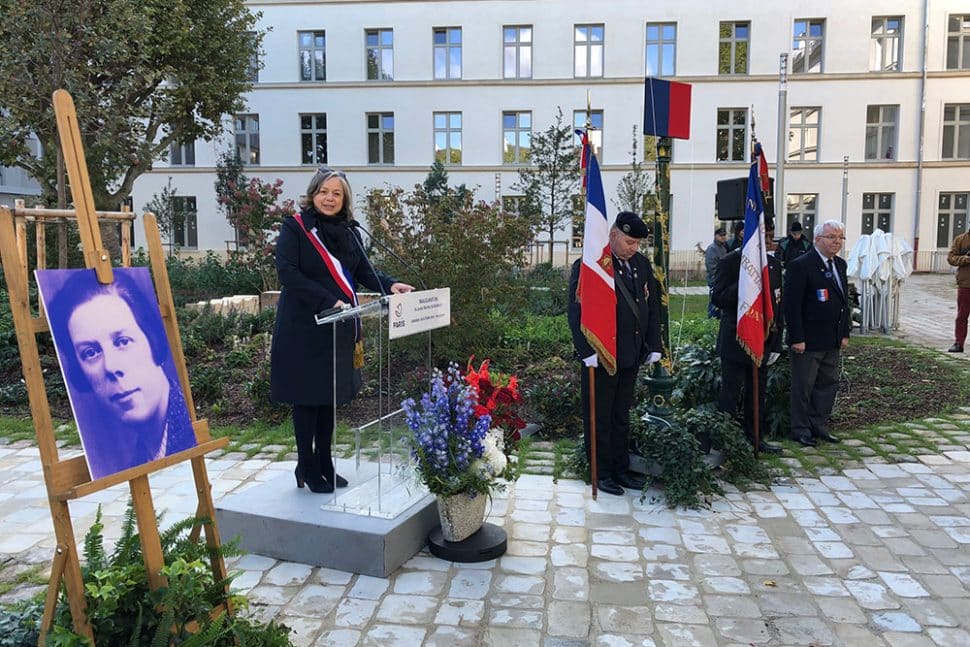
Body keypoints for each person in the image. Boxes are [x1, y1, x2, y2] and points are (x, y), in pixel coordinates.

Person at [271, 167, 413, 493]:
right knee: (307, 400)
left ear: (344, 199)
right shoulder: (296, 228)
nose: (330, 198)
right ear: (313, 194)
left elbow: (362, 269)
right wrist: (327, 299)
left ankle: (325, 463)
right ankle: (306, 464)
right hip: (304, 327)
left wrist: (390, 286)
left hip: (336, 328)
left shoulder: (349, 231)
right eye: (324, 192)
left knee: (327, 399)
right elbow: (287, 273)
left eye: (337, 193)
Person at [43, 268, 196, 480]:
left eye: (122, 342)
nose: (111, 367)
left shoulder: (186, 435)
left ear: (153, 341)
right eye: (91, 352)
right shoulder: (141, 457)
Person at [567, 211, 662, 496]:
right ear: (613, 235)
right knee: (600, 417)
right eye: (629, 242)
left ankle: (621, 468)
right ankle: (601, 470)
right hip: (601, 354)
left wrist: (654, 344)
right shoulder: (590, 265)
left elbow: (652, 306)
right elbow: (576, 312)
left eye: (637, 244)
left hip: (630, 353)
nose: (634, 248)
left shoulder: (641, 265)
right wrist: (585, 350)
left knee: (621, 415)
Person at [711, 222, 784, 455]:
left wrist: (776, 341)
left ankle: (755, 439)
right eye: (765, 236)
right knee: (730, 393)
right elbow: (719, 298)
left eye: (771, 237)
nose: (770, 241)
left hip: (762, 338)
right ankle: (726, 441)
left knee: (757, 392)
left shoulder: (772, 265)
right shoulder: (730, 261)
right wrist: (745, 285)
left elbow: (777, 304)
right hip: (735, 337)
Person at [783, 219, 851, 447]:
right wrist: (797, 338)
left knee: (827, 384)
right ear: (818, 239)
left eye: (840, 237)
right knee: (804, 386)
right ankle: (800, 429)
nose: (837, 242)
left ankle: (819, 425)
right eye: (832, 237)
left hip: (831, 338)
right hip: (808, 340)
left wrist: (844, 332)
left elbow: (844, 302)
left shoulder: (840, 264)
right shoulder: (801, 265)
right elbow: (792, 306)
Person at [946, 225, 970, 353]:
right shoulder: (961, 239)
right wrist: (964, 259)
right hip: (966, 283)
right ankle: (959, 342)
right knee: (962, 315)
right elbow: (951, 258)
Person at [705, 226, 728, 318]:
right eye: (720, 235)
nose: (723, 237)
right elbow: (711, 266)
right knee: (713, 303)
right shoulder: (712, 248)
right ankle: (711, 320)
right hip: (715, 280)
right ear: (715, 236)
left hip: (723, 279)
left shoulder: (723, 248)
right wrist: (718, 277)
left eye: (724, 235)